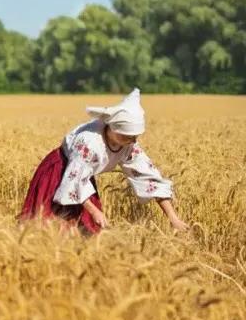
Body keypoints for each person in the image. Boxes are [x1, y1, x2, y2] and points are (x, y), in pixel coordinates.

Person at [19, 88, 188, 235]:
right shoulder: (89, 142)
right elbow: (75, 179)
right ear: (113, 128)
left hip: (83, 181)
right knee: (46, 228)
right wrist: (94, 211)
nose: (133, 141)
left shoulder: (129, 146)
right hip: (58, 173)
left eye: (135, 136)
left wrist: (173, 218)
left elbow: (149, 178)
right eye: (128, 136)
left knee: (84, 234)